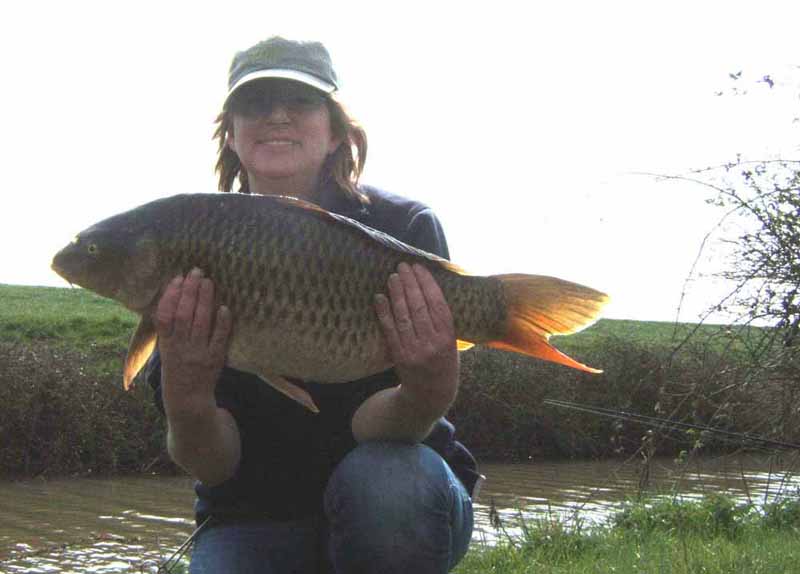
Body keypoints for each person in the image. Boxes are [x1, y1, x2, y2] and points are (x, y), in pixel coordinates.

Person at [145, 36, 480, 574]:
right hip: (252, 514)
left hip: (392, 484)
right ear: (230, 134)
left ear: (335, 131)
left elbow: (375, 431)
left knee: (388, 488)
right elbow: (214, 463)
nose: (277, 115)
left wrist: (428, 389)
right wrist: (186, 392)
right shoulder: (188, 240)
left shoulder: (404, 229)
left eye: (299, 101)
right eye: (255, 103)